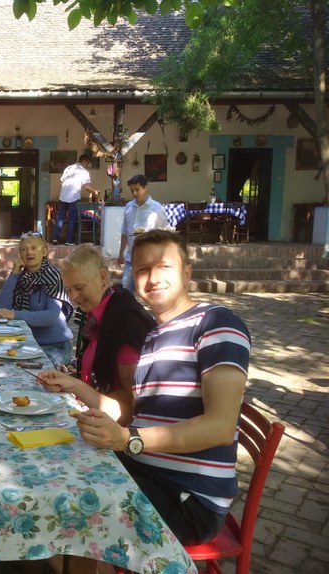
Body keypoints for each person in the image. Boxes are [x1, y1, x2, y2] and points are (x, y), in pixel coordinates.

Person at [74, 229, 250, 546]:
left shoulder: (216, 324)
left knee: (74, 513)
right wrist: (76, 391)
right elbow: (134, 410)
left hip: (189, 499)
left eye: (163, 267)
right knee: (63, 473)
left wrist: (129, 440)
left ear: (186, 272)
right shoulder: (156, 335)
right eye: (142, 269)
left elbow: (221, 427)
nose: (152, 277)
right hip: (146, 472)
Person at [36, 244, 155, 425]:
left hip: (116, 432)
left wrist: (77, 388)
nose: (74, 296)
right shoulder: (101, 311)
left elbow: (133, 400)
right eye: (68, 289)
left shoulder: (125, 321)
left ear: (102, 277)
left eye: (79, 287)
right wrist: (68, 381)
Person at [0, 232, 74, 366]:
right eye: (24, 249)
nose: (28, 252)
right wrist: (14, 273)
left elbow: (51, 316)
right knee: (4, 362)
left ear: (44, 251)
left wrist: (16, 314)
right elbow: (3, 308)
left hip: (56, 346)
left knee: (34, 370)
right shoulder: (23, 277)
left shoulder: (53, 277)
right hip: (30, 345)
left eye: (33, 248)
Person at [118, 174, 170, 292]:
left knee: (151, 292)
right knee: (125, 291)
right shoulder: (128, 207)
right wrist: (121, 253)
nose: (134, 194)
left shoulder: (157, 208)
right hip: (131, 258)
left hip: (150, 260)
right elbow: (125, 231)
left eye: (137, 190)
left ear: (145, 188)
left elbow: (165, 234)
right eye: (132, 191)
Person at [53, 153, 100, 246]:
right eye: (87, 164)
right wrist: (95, 192)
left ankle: (55, 238)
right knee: (72, 218)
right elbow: (86, 186)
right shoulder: (84, 172)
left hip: (62, 196)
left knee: (60, 218)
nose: (87, 166)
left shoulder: (68, 168)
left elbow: (62, 181)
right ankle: (69, 240)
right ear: (85, 161)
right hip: (73, 197)